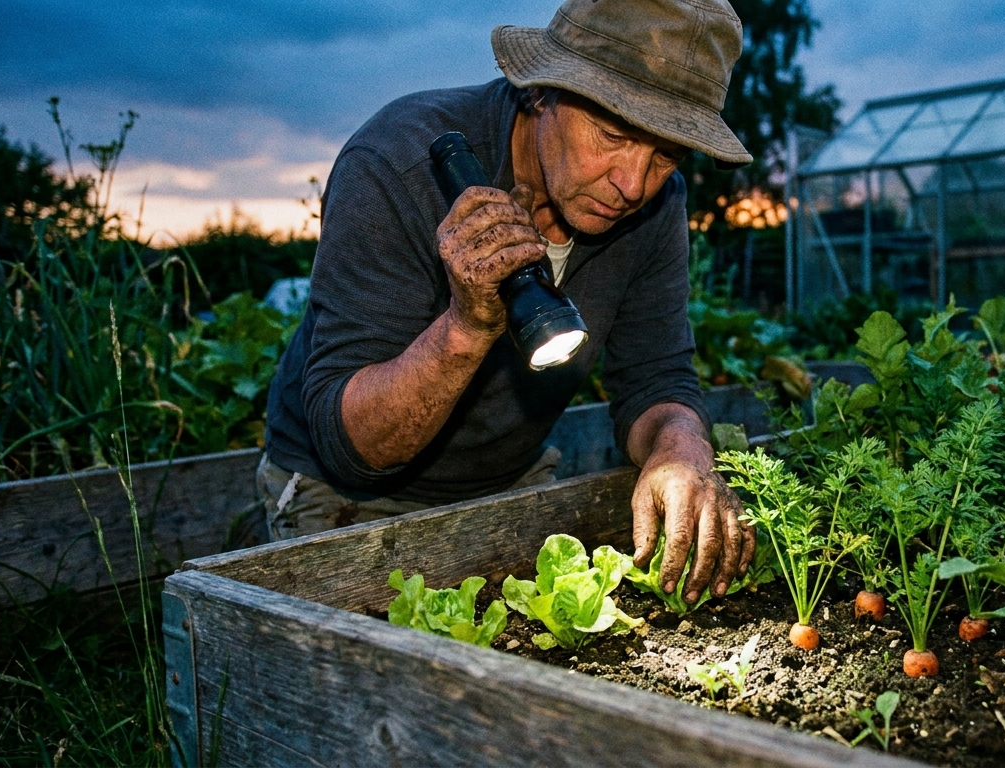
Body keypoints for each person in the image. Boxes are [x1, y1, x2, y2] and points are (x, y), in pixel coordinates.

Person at [258, 0, 755, 605]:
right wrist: (467, 326)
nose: (633, 184)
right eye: (613, 135)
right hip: (345, 498)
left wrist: (681, 449)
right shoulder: (397, 163)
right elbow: (355, 449)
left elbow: (656, 378)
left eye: (666, 155)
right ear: (542, 92)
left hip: (510, 481)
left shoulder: (657, 205)